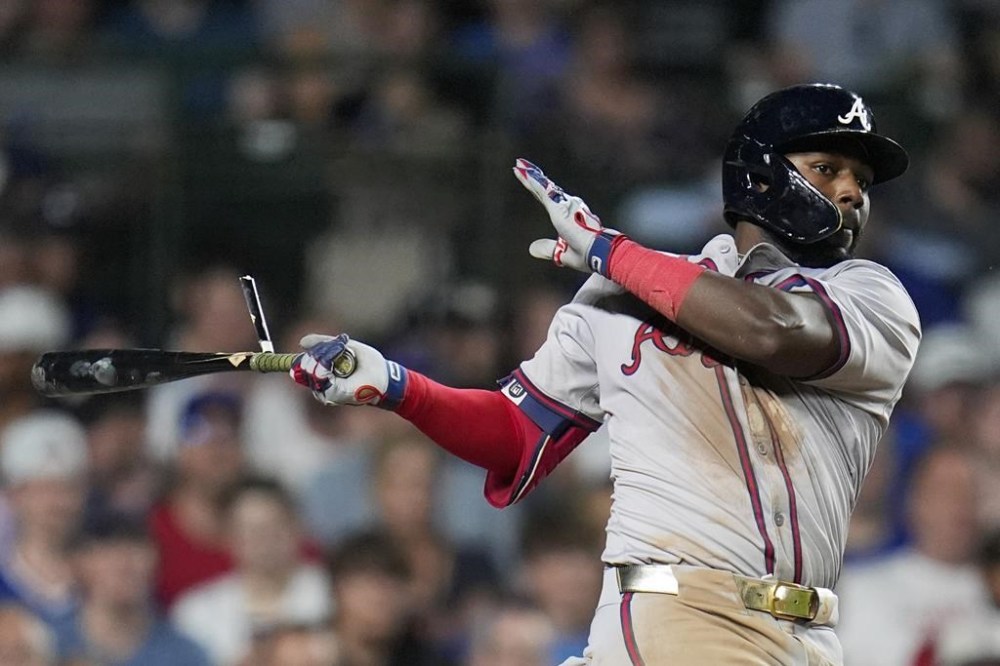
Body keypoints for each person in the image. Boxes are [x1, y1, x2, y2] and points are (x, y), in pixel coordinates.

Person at [289, 83, 921, 664]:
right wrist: (402, 389)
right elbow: (515, 433)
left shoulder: (872, 296)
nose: (850, 193)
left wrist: (610, 251)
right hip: (676, 615)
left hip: (807, 635)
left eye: (862, 182)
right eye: (827, 169)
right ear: (759, 175)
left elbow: (773, 330)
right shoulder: (617, 294)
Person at [171, 475, 331, 666]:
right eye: (252, 530)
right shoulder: (197, 613)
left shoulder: (333, 593)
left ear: (297, 527)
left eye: (274, 527)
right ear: (228, 537)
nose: (265, 540)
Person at [54, 515, 210, 666]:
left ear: (156, 562)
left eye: (135, 552)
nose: (123, 565)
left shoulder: (185, 654)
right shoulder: (50, 644)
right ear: (79, 564)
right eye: (107, 553)